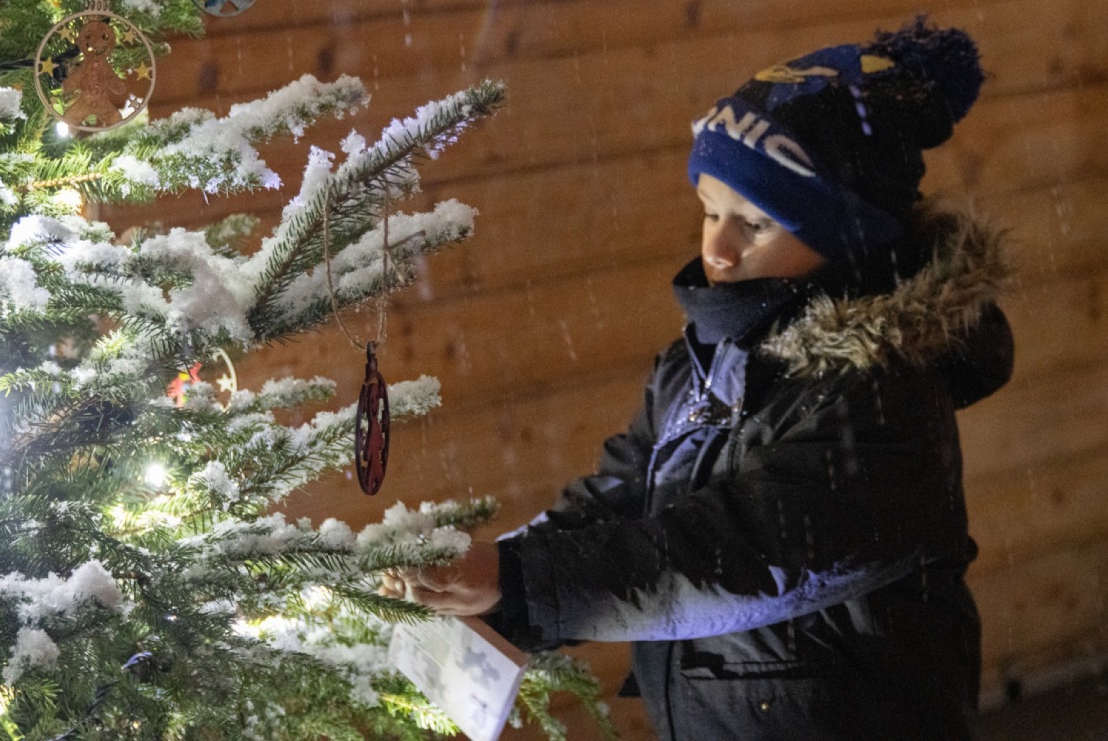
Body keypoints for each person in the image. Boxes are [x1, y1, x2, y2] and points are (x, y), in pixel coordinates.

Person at [383, 18, 1013, 740]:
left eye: (754, 222)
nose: (715, 245)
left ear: (844, 235)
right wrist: (485, 584)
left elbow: (741, 555)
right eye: (710, 210)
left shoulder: (883, 394)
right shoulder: (703, 360)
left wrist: (523, 578)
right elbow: (624, 496)